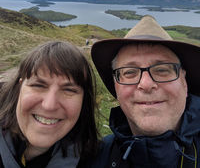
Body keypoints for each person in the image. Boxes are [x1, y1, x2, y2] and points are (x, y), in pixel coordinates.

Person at [90, 15, 200, 168]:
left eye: (162, 70)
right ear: (116, 86)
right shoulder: (93, 158)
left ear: (184, 82)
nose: (146, 84)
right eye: (129, 72)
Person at [0, 40, 99, 168]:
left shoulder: (97, 159)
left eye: (68, 90)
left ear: (84, 101)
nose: (49, 105)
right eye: (38, 85)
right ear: (19, 88)